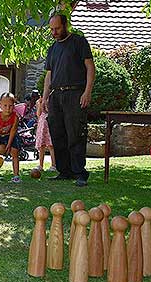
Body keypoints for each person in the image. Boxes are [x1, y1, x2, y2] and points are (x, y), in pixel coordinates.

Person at [42, 13, 95, 187]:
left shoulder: (79, 42)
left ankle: (80, 173)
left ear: (65, 25)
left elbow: (90, 67)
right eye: (51, 29)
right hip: (56, 96)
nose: (54, 32)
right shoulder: (52, 48)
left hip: (75, 94)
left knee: (76, 134)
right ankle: (64, 171)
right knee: (58, 134)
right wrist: (44, 98)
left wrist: (87, 92)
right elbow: (48, 75)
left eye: (57, 28)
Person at [34, 96, 57, 172]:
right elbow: (38, 114)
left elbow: (50, 111)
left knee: (51, 145)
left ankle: (54, 165)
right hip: (42, 124)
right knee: (41, 146)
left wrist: (46, 103)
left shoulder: (52, 100)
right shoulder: (39, 102)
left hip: (49, 123)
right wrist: (39, 105)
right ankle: (40, 165)